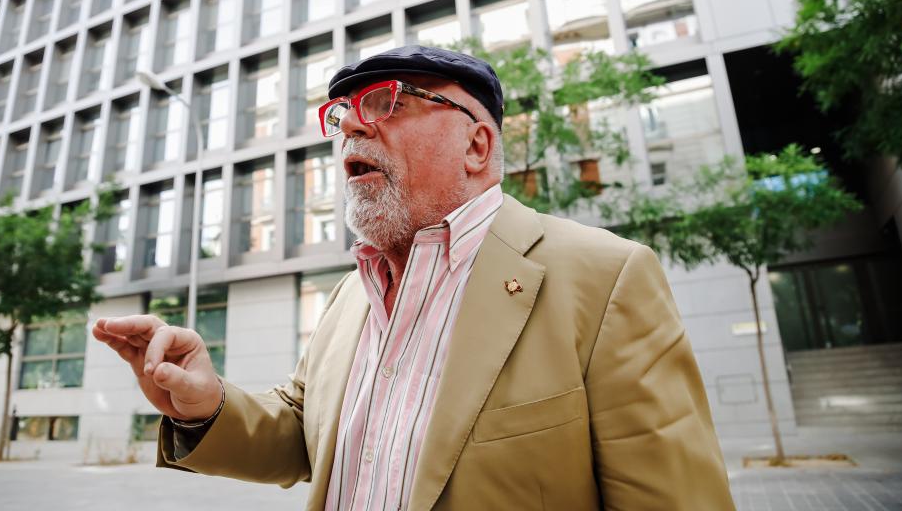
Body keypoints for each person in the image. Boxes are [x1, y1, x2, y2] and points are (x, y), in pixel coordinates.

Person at [93, 46, 735, 510]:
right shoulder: (352, 292)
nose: (350, 124)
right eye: (339, 113)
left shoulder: (605, 276)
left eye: (386, 102)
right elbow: (304, 434)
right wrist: (208, 406)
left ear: (478, 146)